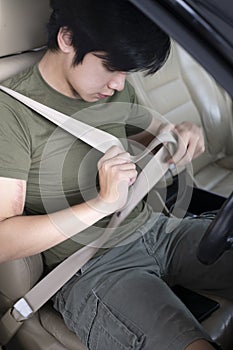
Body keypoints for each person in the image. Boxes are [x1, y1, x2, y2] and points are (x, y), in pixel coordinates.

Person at [0, 0, 232, 349]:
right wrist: (101, 203)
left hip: (157, 230)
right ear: (67, 39)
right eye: (112, 67)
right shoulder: (11, 114)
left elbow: (154, 134)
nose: (119, 84)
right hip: (93, 269)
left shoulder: (111, 86)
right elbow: (4, 241)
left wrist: (182, 135)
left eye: (127, 72)